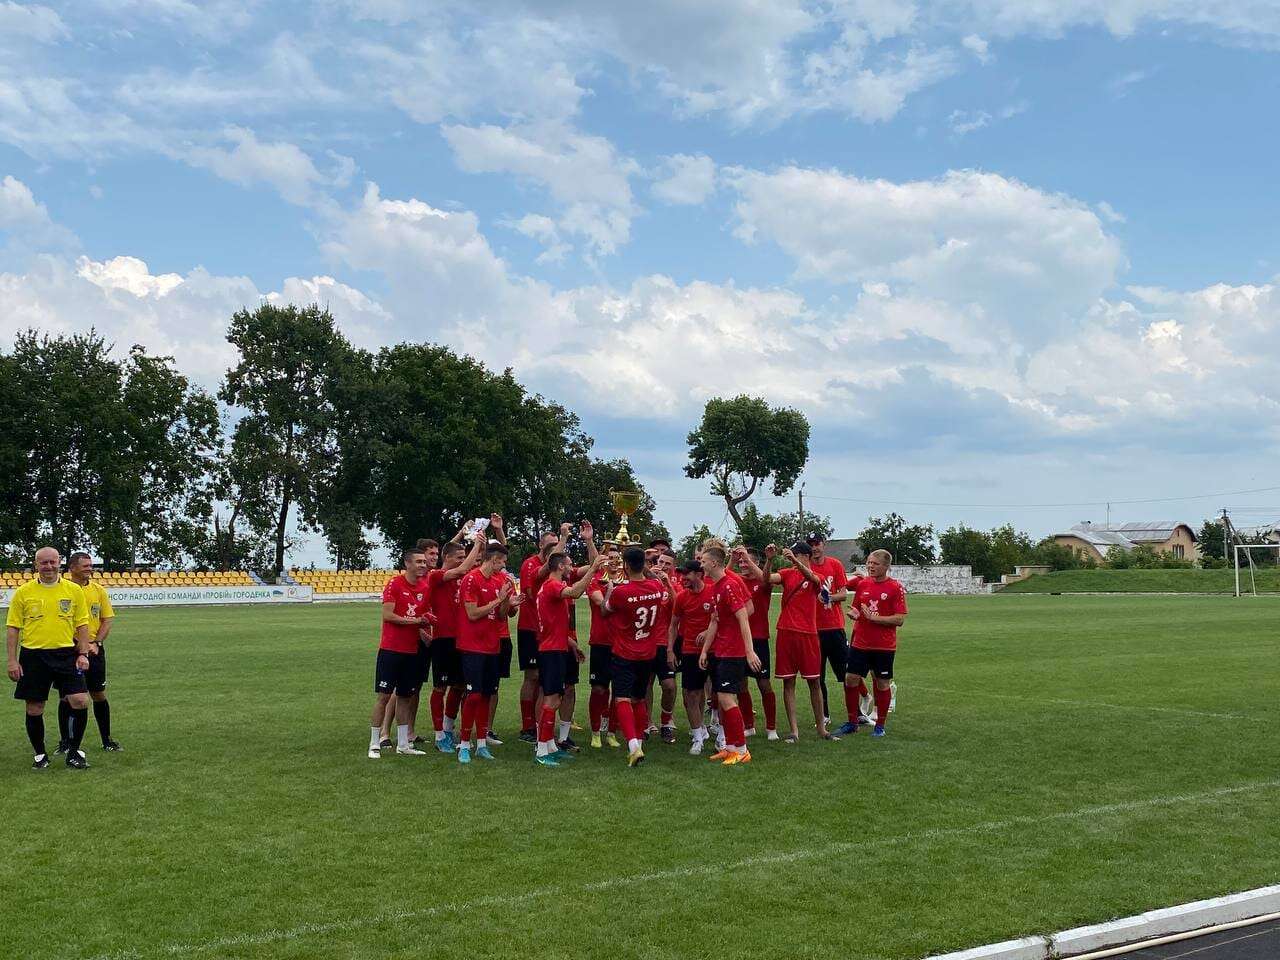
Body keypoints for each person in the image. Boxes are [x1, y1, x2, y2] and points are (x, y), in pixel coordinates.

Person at [7, 547, 93, 769]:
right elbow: (13, 628)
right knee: (34, 707)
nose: (48, 566)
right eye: (43, 562)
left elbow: (82, 624)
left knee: (80, 700)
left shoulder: (73, 590)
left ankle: (74, 752)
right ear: (36, 564)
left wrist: (83, 653)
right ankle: (40, 755)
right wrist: (12, 660)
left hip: (66, 653)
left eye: (52, 562)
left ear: (59, 562)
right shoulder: (23, 592)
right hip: (33, 655)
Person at [533, 552, 602, 765]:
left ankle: (550, 746)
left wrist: (572, 644)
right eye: (569, 565)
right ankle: (542, 751)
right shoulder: (552, 585)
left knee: (556, 698)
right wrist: (593, 569)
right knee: (551, 700)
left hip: (557, 648)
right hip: (551, 651)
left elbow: (554, 625)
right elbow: (575, 591)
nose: (572, 569)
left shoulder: (549, 586)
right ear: (561, 566)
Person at [766, 542, 838, 743]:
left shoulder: (817, 575)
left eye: (796, 554)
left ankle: (821, 728)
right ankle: (794, 731)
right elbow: (767, 579)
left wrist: (795, 561)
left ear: (804, 556)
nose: (792, 557)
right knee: (788, 681)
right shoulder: (787, 573)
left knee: (814, 681)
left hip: (808, 634)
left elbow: (812, 578)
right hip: (786, 632)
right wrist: (769, 561)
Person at [603, 546, 667, 767]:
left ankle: (633, 746)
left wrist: (609, 591)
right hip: (647, 653)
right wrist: (646, 568)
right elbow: (653, 580)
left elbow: (605, 611)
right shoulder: (656, 588)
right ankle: (639, 741)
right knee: (639, 698)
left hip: (625, 653)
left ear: (625, 566)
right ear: (644, 565)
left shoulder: (621, 592)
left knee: (622, 698)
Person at [456, 542, 520, 764]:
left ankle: (481, 744)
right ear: (493, 559)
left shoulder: (498, 581)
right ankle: (464, 744)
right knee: (473, 695)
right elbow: (472, 614)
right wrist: (498, 600)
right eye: (502, 562)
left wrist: (508, 602)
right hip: (472, 646)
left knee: (486, 695)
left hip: (493, 645)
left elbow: (501, 616)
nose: (503, 566)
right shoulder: (471, 579)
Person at [697, 545, 761, 764]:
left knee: (726, 698)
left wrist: (749, 651)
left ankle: (742, 749)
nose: (701, 565)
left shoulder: (729, 585)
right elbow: (715, 621)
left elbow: (744, 617)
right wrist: (705, 650)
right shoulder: (716, 586)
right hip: (722, 650)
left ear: (714, 563)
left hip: (733, 651)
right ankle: (731, 747)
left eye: (703, 561)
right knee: (723, 698)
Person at [368, 547, 434, 759]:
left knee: (405, 696)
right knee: (384, 696)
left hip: (412, 650)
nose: (423, 565)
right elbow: (388, 615)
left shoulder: (425, 587)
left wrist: (426, 624)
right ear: (407, 564)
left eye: (424, 562)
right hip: (391, 649)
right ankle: (374, 743)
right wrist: (417, 621)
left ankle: (403, 744)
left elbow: (422, 614)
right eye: (418, 561)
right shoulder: (395, 584)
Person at [424, 533, 484, 752]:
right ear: (446, 557)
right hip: (443, 638)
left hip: (462, 639)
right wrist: (477, 544)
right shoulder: (436, 575)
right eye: (459, 557)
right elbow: (460, 570)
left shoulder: (464, 578)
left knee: (459, 686)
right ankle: (439, 735)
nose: (463, 561)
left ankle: (449, 729)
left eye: (464, 557)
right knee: (440, 687)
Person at [57, 552, 120, 752]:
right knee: (67, 697)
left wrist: (96, 643)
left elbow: (107, 619)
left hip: (94, 649)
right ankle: (65, 743)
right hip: (69, 650)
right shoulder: (62, 590)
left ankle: (107, 740)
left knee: (98, 694)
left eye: (90, 565)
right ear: (72, 568)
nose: (90, 569)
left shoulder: (98, 590)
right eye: (85, 566)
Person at [843, 549, 907, 737]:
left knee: (882, 683)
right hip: (861, 642)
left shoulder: (895, 587)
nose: (870, 566)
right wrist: (854, 613)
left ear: (886, 566)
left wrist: (874, 618)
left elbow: (899, 619)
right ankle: (852, 722)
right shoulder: (863, 584)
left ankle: (880, 726)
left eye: (875, 564)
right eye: (869, 563)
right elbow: (857, 608)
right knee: (850, 678)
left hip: (883, 645)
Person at [517, 525, 567, 742]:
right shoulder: (530, 564)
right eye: (552, 545)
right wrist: (563, 539)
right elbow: (538, 578)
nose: (556, 548)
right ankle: (528, 725)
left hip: (548, 631)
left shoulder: (558, 569)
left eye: (558, 545)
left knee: (546, 681)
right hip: (530, 627)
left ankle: (541, 727)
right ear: (541, 545)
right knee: (532, 676)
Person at [668, 560, 715, 754]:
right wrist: (670, 650)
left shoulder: (713, 592)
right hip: (689, 651)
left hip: (714, 650)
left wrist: (707, 631)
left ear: (699, 574)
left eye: (686, 574)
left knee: (717, 694)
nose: (682, 578)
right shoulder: (681, 597)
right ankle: (697, 736)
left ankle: (721, 734)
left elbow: (722, 619)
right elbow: (673, 625)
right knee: (691, 695)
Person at [733, 546, 779, 741]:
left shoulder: (762, 581)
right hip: (739, 639)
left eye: (746, 561)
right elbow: (723, 575)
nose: (743, 564)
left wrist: (765, 560)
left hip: (759, 639)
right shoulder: (737, 581)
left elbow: (767, 580)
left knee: (764, 683)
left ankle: (771, 727)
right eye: (741, 562)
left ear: (756, 563)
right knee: (741, 684)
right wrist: (733, 559)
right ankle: (749, 725)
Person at [808, 534, 850, 725]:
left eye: (817, 544)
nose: (814, 548)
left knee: (846, 674)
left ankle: (855, 712)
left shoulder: (835, 564)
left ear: (823, 544)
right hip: (813, 629)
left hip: (834, 627)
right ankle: (824, 715)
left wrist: (828, 597)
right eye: (811, 545)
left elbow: (843, 594)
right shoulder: (805, 567)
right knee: (818, 677)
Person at [586, 539, 621, 748]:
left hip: (621, 643)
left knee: (619, 690)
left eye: (618, 558)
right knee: (599, 689)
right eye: (610, 558)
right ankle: (595, 731)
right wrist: (612, 591)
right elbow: (603, 605)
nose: (614, 562)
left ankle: (611, 731)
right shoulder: (596, 580)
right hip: (600, 642)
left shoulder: (627, 580)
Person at [646, 550, 679, 743]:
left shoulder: (674, 585)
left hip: (665, 643)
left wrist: (667, 584)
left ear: (673, 566)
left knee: (669, 686)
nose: (663, 566)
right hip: (646, 642)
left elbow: (680, 607)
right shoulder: (646, 582)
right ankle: (647, 723)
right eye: (661, 562)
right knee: (646, 683)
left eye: (668, 563)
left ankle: (666, 722)